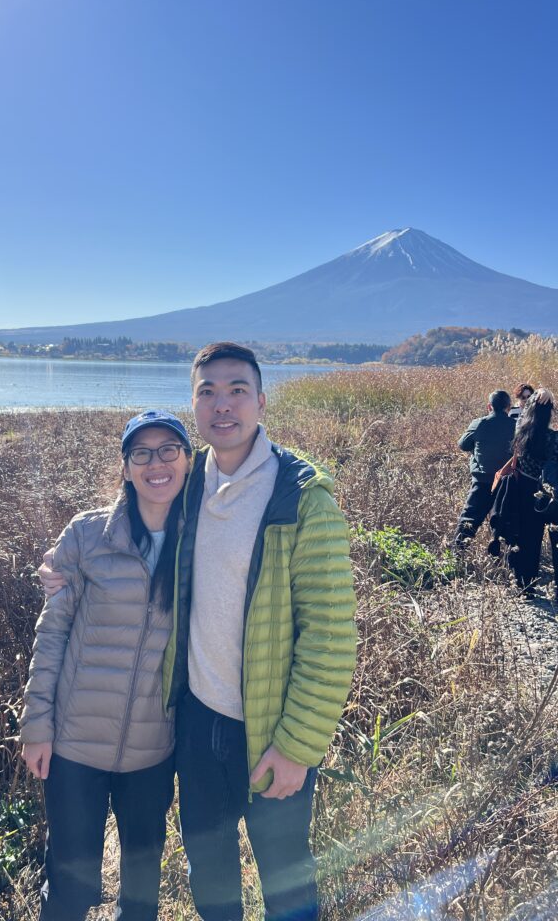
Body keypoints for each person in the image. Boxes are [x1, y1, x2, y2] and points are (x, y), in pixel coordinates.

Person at [41, 342, 357, 921]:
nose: (223, 404)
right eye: (208, 391)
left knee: (286, 878)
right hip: (196, 722)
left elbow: (331, 635)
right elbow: (135, 511)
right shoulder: (190, 486)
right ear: (194, 405)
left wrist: (297, 747)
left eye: (237, 390)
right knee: (210, 876)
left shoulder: (301, 498)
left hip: (271, 727)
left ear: (262, 401)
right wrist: (67, 566)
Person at [20, 409, 192, 921]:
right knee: (70, 888)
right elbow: (51, 634)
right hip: (73, 745)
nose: (155, 463)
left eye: (168, 450)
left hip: (152, 749)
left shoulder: (202, 541)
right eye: (141, 453)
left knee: (141, 891)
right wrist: (36, 724)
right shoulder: (88, 534)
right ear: (125, 467)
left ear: (187, 460)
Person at [490, 388, 558, 592]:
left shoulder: (520, 433)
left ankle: (524, 585)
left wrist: (539, 397)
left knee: (527, 540)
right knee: (556, 542)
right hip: (551, 494)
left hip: (525, 489)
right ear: (550, 413)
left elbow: (525, 414)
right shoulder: (554, 438)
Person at [453, 390, 515, 549]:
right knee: (505, 522)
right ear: (509, 407)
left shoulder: (478, 423)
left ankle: (457, 554)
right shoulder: (516, 426)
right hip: (506, 483)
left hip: (482, 480)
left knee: (469, 519)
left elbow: (463, 445)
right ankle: (504, 559)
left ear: (489, 406)